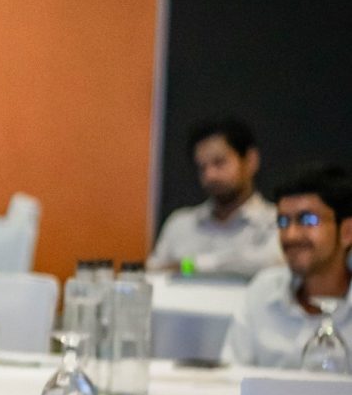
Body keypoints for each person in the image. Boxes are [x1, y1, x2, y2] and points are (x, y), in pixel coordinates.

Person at [223, 164, 352, 369]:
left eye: (307, 220)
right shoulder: (262, 292)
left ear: (347, 232)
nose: (290, 235)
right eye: (283, 222)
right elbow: (230, 376)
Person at [148, 117, 283, 276]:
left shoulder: (278, 221)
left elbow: (271, 262)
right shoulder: (179, 224)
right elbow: (153, 273)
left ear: (250, 161)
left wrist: (189, 265)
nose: (210, 175)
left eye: (219, 163)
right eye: (202, 167)